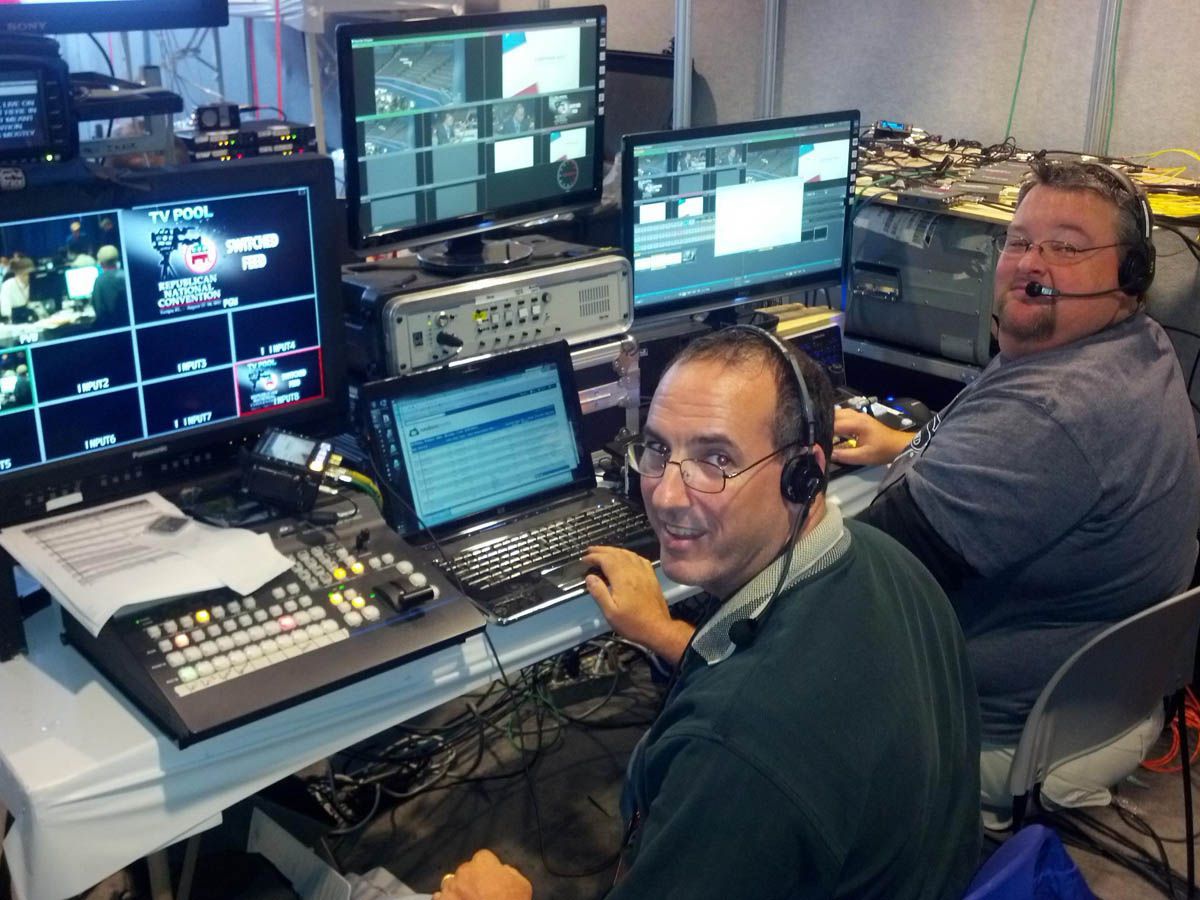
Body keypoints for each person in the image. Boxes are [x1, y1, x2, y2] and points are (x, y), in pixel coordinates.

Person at [434, 326, 981, 899]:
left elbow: (755, 731)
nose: (667, 496)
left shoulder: (738, 751)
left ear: (804, 475)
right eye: (658, 450)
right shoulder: (888, 562)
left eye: (716, 459)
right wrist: (664, 632)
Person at [832, 159, 1200, 827]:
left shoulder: (1055, 412)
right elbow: (1026, 469)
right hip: (1095, 698)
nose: (1034, 262)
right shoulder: (1136, 349)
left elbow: (861, 583)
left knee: (745, 672)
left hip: (984, 721)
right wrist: (911, 446)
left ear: (1131, 276)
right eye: (1020, 241)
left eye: (1067, 246)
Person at [91, 245, 129, 329]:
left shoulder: (100, 281)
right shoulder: (127, 275)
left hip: (109, 328)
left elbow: (98, 310)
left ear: (100, 263)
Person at [0, 256, 35, 322]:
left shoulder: (36, 282)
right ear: (18, 273)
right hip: (16, 322)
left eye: (31, 274)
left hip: (34, 319)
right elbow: (5, 311)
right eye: (26, 274)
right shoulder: (8, 285)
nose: (29, 277)